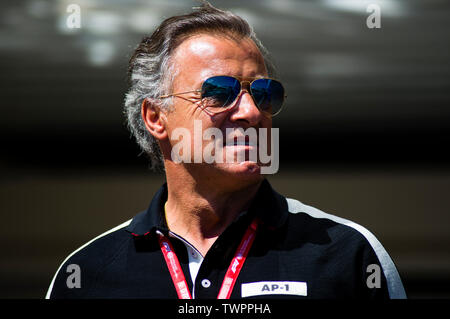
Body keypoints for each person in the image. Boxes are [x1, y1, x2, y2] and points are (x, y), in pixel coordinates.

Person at [46, 2, 406, 299]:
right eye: (219, 91)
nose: (251, 112)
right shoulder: (85, 274)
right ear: (156, 118)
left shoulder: (349, 254)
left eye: (264, 93)